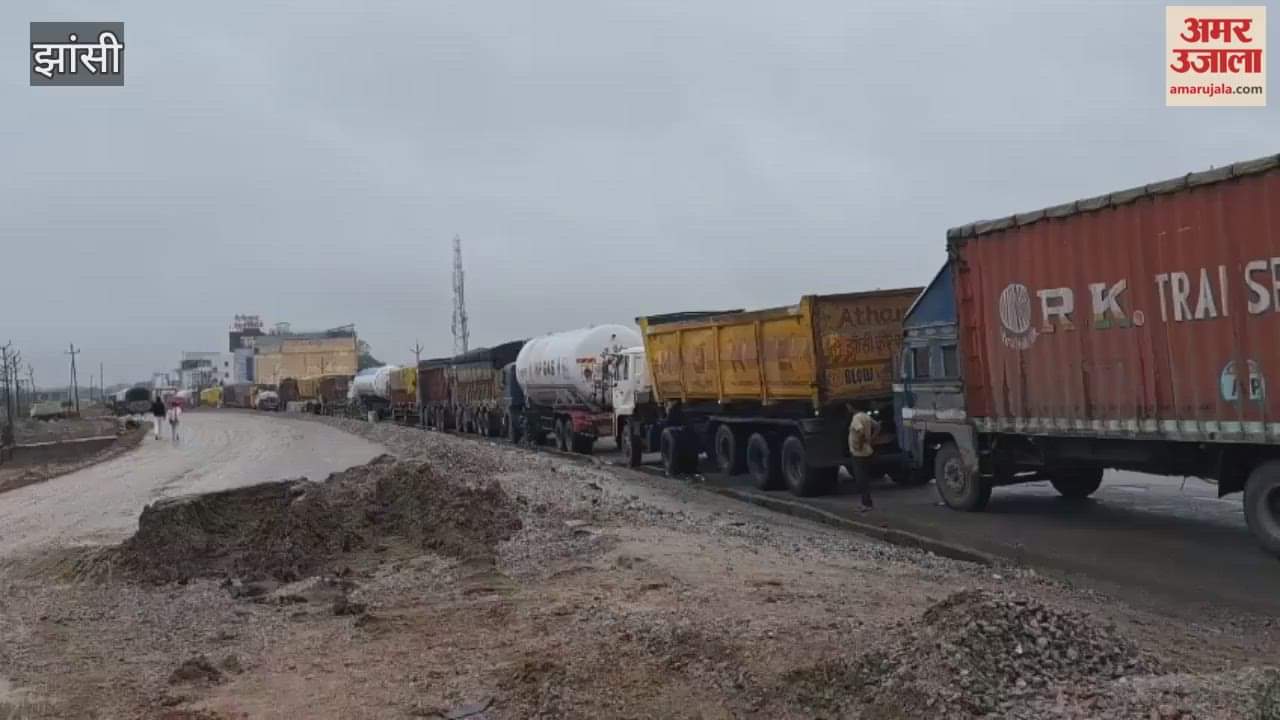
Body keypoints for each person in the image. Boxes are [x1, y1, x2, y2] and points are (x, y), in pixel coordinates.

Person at [847, 406, 881, 511]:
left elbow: (860, 431)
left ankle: (866, 504)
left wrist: (860, 445)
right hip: (867, 451)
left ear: (851, 407)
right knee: (864, 478)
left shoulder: (856, 418)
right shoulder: (866, 416)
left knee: (861, 479)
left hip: (859, 453)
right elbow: (878, 426)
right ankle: (866, 502)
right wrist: (872, 439)